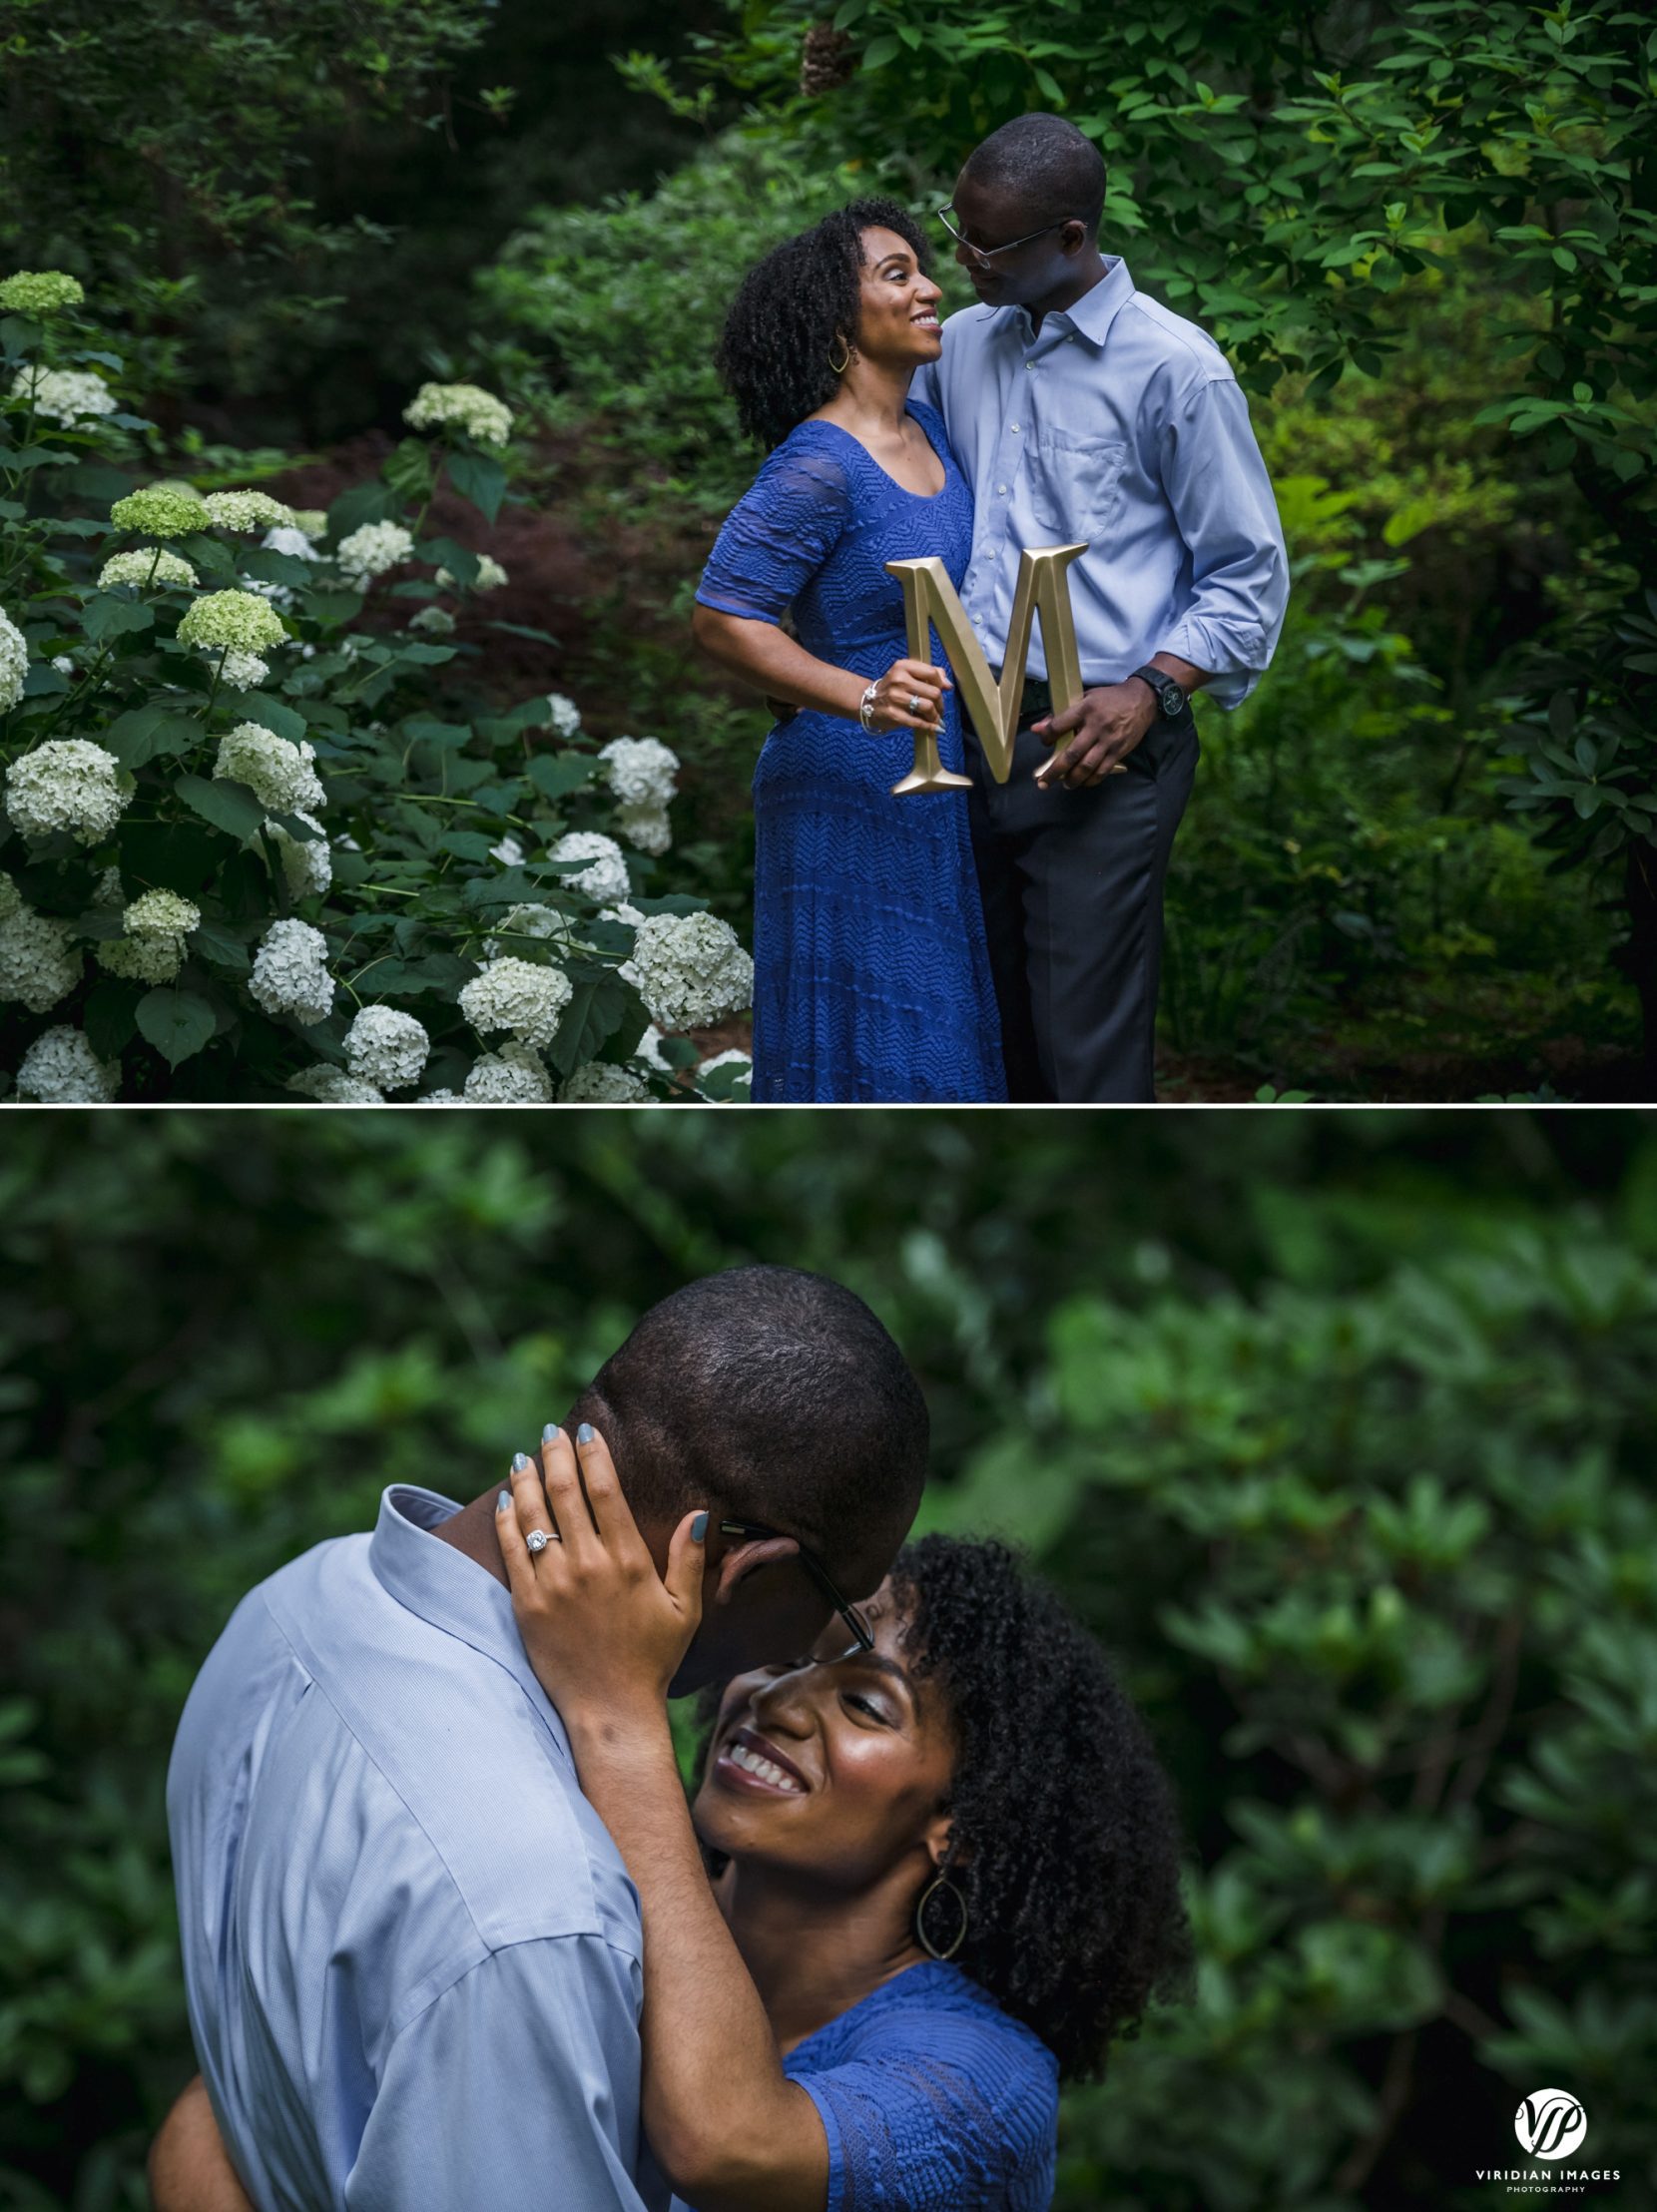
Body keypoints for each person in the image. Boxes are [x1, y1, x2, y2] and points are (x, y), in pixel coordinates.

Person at [153, 1428, 1193, 2212]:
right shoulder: (584, 1895)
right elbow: (210, 2125)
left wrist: (616, 1710)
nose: (779, 1698)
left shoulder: (983, 2087)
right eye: (791, 1651)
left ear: (955, 1827)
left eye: (865, 1702)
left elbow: (725, 2139)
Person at [156, 1267, 929, 2212]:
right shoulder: (534, 1908)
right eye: (835, 1618)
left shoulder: (290, 1604)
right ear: (751, 1571)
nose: (802, 1664)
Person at [910, 115, 1291, 1103]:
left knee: (1084, 1059)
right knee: (988, 1042)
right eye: (955, 234)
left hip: (1102, 744)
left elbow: (1247, 574)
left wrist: (1150, 693)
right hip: (966, 735)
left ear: (1071, 237)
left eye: (986, 245)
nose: (963, 262)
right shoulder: (957, 347)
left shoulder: (1177, 368)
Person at [691, 201, 1006, 1104]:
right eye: (897, 274)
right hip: (843, 779)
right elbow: (723, 617)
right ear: (838, 320)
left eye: (922, 268)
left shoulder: (931, 433)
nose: (930, 288)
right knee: (879, 1034)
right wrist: (862, 696)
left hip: (930, 777)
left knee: (933, 1021)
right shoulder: (818, 464)